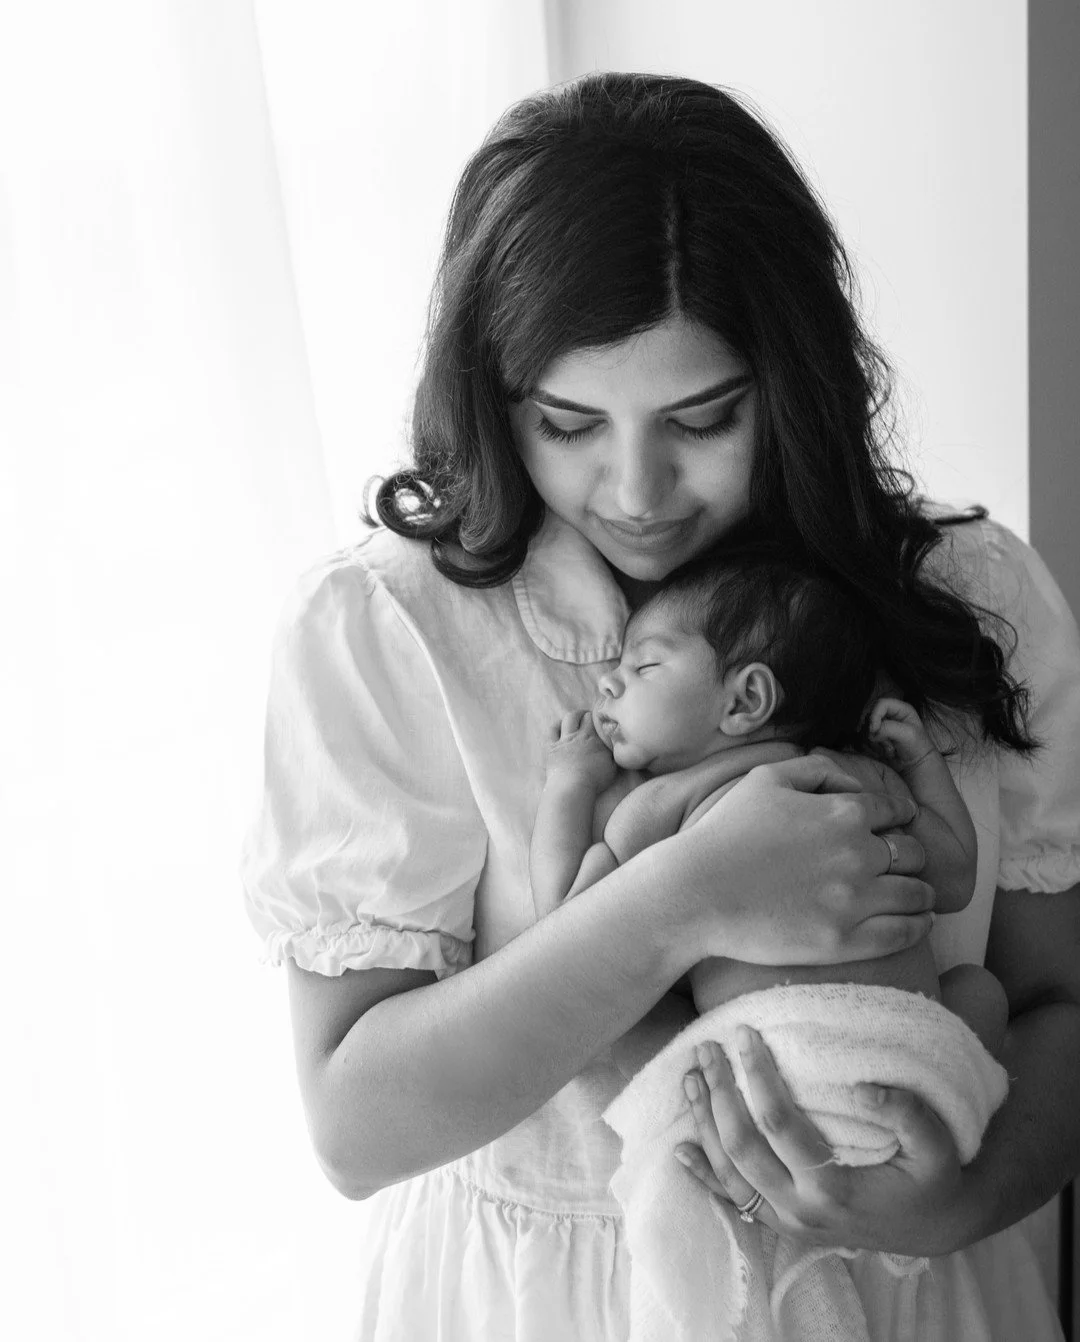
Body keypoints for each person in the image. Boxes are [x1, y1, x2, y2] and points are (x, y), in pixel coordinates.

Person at [240, 72, 1079, 1340]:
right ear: (494, 394)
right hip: (548, 1302)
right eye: (567, 422)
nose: (636, 489)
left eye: (705, 418)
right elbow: (357, 1124)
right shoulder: (388, 628)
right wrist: (685, 894)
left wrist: (957, 1204)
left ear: (792, 387)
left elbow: (1060, 1005)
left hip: (934, 1297)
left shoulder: (973, 590)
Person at [529, 541, 1009, 1055]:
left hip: (773, 1067)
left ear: (746, 700)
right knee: (980, 993)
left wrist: (569, 782)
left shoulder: (665, 804)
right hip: (908, 1053)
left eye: (644, 666)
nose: (607, 680)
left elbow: (561, 926)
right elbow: (956, 874)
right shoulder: (858, 781)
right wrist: (918, 763)